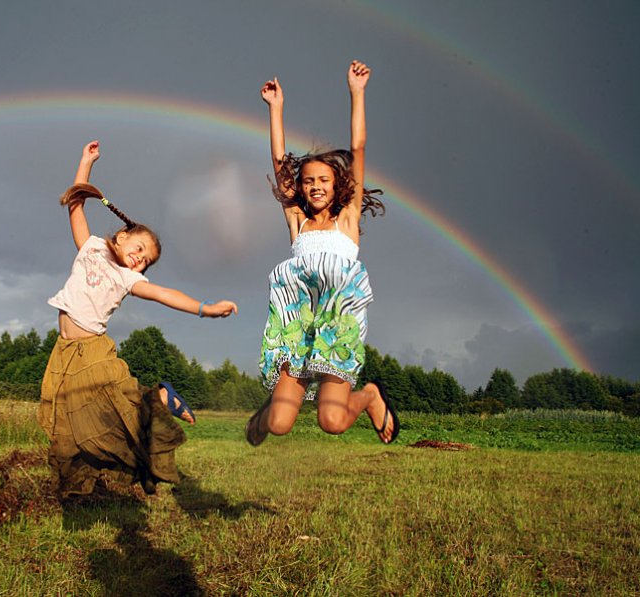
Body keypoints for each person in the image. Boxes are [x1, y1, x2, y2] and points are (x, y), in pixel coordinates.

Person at [39, 140, 238, 498]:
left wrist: (205, 307)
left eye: (147, 261)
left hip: (93, 352)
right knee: (72, 422)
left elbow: (164, 294)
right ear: (123, 234)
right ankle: (76, 488)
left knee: (122, 409)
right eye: (140, 249)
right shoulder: (92, 247)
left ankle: (161, 398)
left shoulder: (129, 278)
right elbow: (76, 203)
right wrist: (86, 162)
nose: (140, 260)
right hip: (65, 353)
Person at [246, 60, 400, 447]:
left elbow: (359, 147)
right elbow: (281, 167)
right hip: (296, 324)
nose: (315, 186)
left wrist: (357, 92)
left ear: (338, 184)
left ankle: (368, 396)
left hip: (336, 323)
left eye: (323, 180)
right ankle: (264, 415)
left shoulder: (346, 219)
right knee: (280, 423)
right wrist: (275, 108)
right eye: (309, 181)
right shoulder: (297, 220)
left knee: (332, 421)